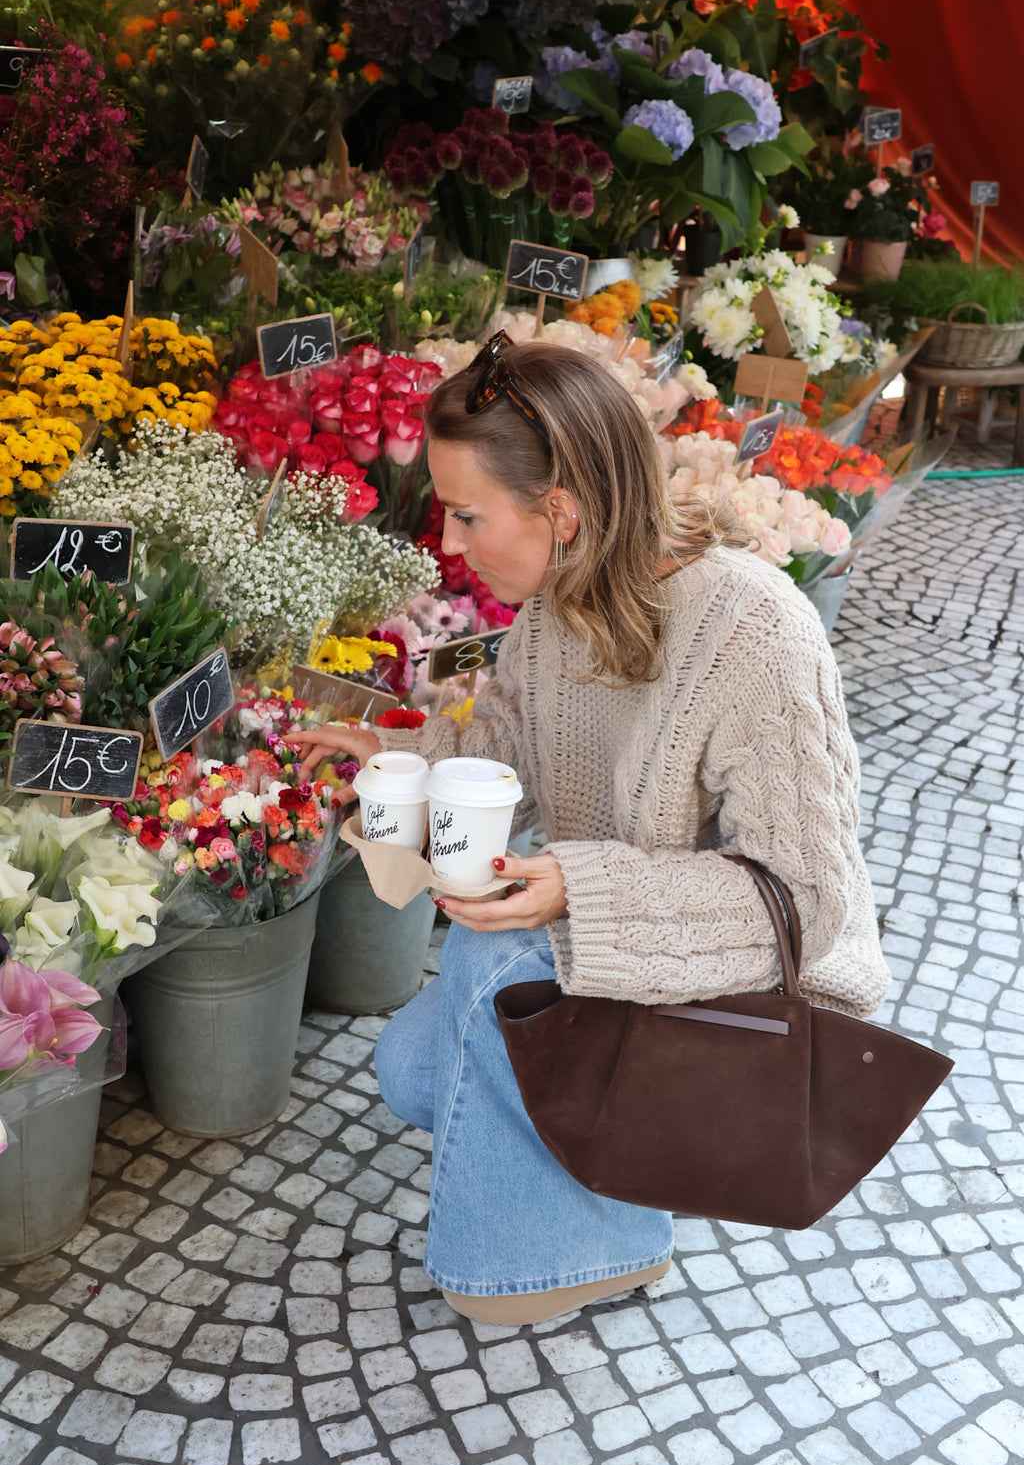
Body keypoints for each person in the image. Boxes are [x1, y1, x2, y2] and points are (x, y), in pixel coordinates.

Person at [284, 332, 890, 1325]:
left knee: (494, 967)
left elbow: (813, 908)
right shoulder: (558, 608)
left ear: (558, 511)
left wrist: (578, 889)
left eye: (468, 514)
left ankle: (534, 1267)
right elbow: (508, 750)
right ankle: (612, 1203)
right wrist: (392, 756)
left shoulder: (753, 628)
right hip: (629, 968)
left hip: (745, 1006)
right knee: (410, 1067)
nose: (449, 543)